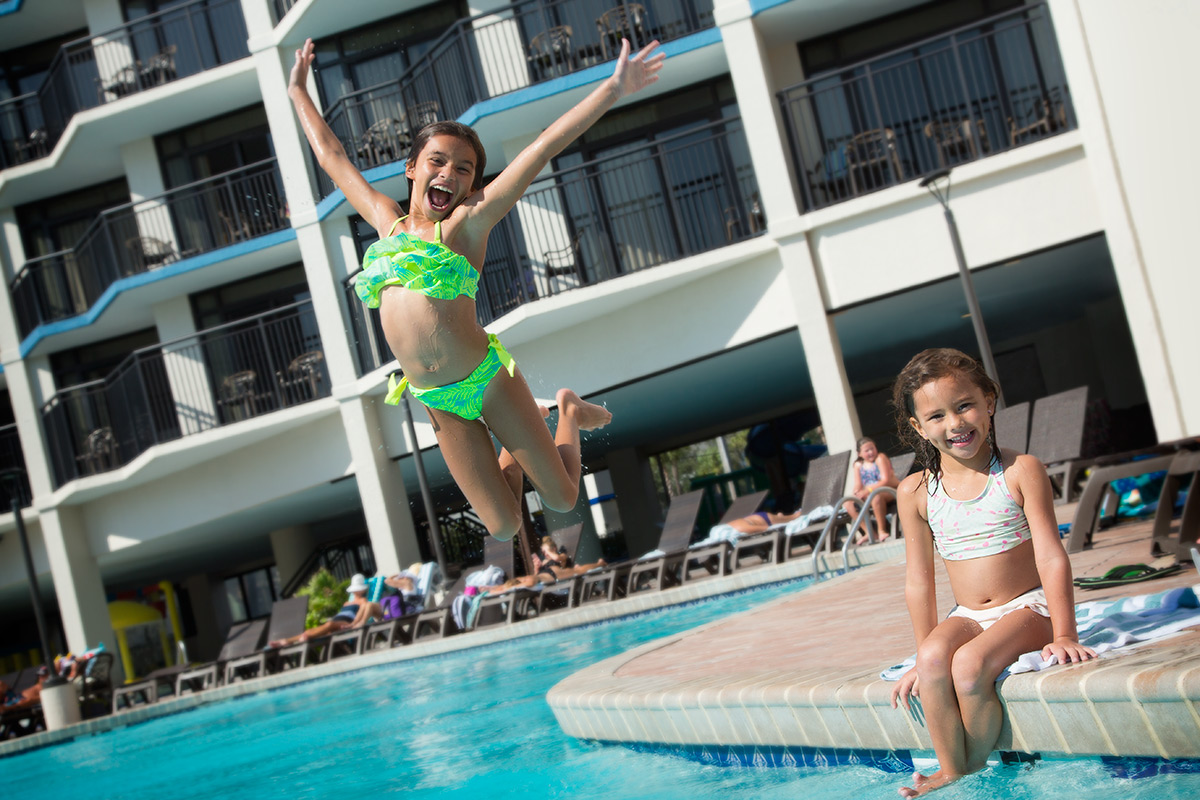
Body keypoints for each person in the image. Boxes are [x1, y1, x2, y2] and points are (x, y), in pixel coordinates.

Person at [288, 37, 664, 543]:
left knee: (561, 497)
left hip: (486, 378)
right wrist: (296, 90)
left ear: (471, 185)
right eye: (437, 162)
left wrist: (614, 89)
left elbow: (544, 146)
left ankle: (567, 410)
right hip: (436, 397)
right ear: (412, 168)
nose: (449, 174)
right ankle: (538, 424)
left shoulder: (467, 225)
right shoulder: (386, 223)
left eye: (463, 170)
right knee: (505, 526)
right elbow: (332, 156)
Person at [888, 348, 1095, 797]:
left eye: (964, 405)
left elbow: (1051, 556)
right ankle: (949, 768)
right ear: (918, 427)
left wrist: (1064, 633)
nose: (956, 423)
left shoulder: (1020, 471)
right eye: (937, 415)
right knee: (930, 659)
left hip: (1028, 607)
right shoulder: (915, 492)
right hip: (967, 613)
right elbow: (919, 581)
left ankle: (970, 770)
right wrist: (923, 653)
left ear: (989, 401)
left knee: (969, 664)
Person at [269, 573, 379, 647]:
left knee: (329, 624)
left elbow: (363, 614)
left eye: (358, 590)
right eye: (355, 590)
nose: (356, 592)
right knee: (322, 628)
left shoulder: (364, 601)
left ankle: (293, 639)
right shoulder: (347, 602)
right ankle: (289, 640)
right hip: (338, 620)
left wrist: (354, 623)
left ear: (364, 590)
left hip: (348, 622)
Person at [842, 436, 898, 544]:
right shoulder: (858, 465)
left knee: (876, 497)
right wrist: (856, 492)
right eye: (866, 450)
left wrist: (868, 490)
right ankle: (869, 532)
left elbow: (885, 480)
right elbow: (858, 484)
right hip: (871, 493)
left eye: (872, 448)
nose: (871, 452)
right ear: (859, 454)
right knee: (848, 503)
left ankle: (881, 530)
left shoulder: (880, 458)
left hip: (889, 490)